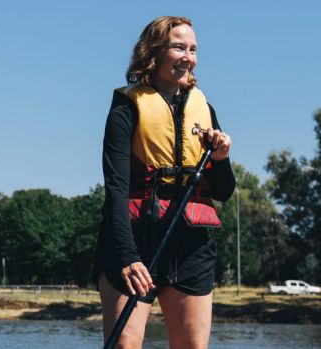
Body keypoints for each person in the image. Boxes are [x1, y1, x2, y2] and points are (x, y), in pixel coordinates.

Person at [94, 16, 236, 349]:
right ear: (154, 52)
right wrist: (128, 256)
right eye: (178, 47)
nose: (188, 57)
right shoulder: (126, 108)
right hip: (134, 240)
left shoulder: (205, 109)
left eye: (193, 49)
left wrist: (221, 159)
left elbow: (224, 191)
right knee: (124, 346)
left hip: (190, 246)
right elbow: (115, 189)